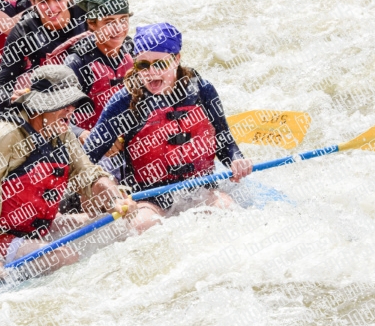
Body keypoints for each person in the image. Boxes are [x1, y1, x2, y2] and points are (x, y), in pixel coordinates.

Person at [0, 65, 131, 277]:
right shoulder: (0, 137)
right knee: (65, 258)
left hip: (36, 228)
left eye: (71, 104)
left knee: (119, 226)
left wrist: (115, 199)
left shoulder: (62, 134)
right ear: (37, 107)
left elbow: (88, 174)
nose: (70, 110)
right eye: (62, 104)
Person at [83, 23, 253, 232]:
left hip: (201, 189)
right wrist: (108, 194)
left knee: (227, 212)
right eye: (143, 65)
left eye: (160, 64)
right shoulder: (123, 101)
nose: (151, 72)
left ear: (177, 59)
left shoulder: (203, 90)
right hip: (148, 197)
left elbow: (225, 141)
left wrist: (236, 160)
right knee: (144, 225)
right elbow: (86, 160)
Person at [0, 0, 88, 106]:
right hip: (50, 98)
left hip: (88, 90)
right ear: (33, 1)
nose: (52, 8)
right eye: (43, 2)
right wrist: (12, 97)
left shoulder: (87, 13)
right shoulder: (24, 29)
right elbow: (0, 86)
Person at [48, 0, 134, 131]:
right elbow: (55, 117)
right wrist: (83, 136)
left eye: (123, 20)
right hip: (89, 142)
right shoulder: (77, 63)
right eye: (109, 22)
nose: (119, 28)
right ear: (92, 24)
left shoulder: (133, 51)